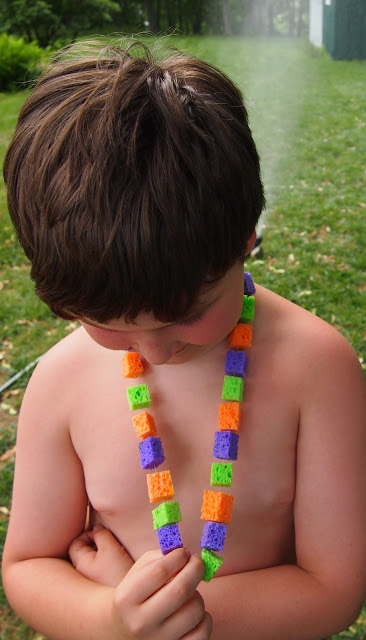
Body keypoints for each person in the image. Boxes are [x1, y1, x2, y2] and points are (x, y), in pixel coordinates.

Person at [2, 39, 366, 640]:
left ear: (245, 240)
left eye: (187, 312)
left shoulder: (318, 368)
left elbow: (334, 587)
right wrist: (111, 620)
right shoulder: (61, 383)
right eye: (113, 326)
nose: (155, 351)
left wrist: (176, 622)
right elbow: (27, 565)